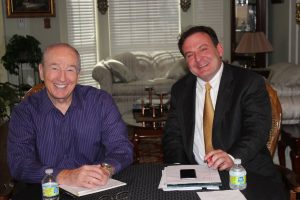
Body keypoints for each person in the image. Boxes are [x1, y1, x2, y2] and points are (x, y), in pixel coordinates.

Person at [162, 26, 281, 182]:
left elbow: (257, 129)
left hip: (245, 172)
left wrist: (232, 157)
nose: (198, 59)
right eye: (190, 55)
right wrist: (179, 169)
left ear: (219, 49)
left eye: (203, 49)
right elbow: (173, 136)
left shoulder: (249, 82)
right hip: (196, 175)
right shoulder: (180, 89)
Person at [7, 43, 133, 189]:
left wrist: (105, 170)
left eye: (70, 69)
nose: (62, 78)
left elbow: (122, 148)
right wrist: (66, 176)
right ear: (41, 71)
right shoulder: (25, 112)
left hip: (94, 188)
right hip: (44, 190)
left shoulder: (100, 102)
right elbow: (19, 163)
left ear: (78, 75)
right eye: (54, 68)